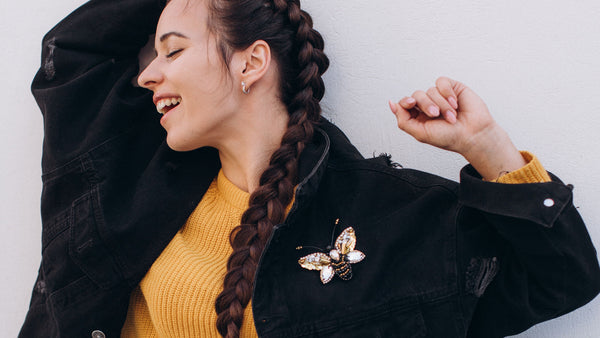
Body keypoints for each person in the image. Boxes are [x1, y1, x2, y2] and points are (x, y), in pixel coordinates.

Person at [19, 0, 600, 337]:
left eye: (172, 51)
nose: (148, 76)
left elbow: (563, 279)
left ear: (252, 62)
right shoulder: (131, 182)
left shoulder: (392, 217)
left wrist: (487, 147)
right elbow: (73, 51)